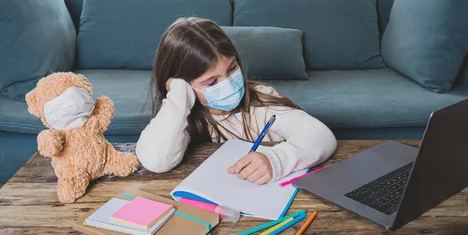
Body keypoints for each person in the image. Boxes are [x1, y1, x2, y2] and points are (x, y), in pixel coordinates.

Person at [136, 17, 337, 185]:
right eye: (212, 81)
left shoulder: (262, 101)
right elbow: (156, 161)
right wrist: (178, 98)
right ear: (183, 85)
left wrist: (275, 160)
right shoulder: (184, 117)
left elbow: (321, 135)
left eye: (232, 68)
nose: (230, 85)